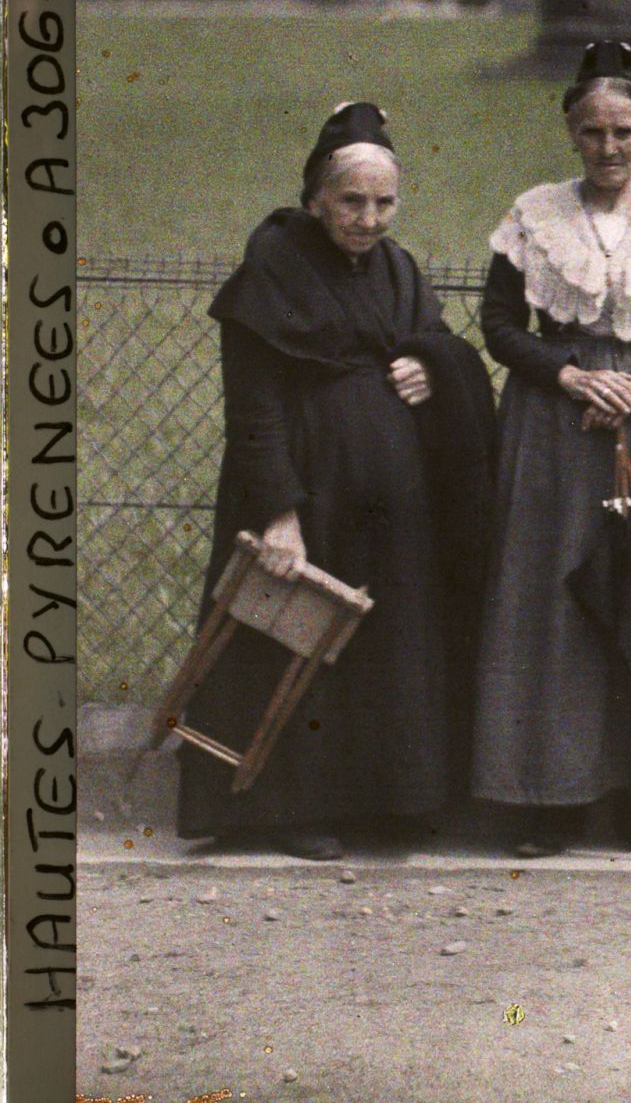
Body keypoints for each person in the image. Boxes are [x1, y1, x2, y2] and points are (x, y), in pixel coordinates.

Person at [179, 102, 495, 861]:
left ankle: (385, 802)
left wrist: (431, 366)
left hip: (393, 509)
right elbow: (252, 408)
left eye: (385, 203)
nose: (368, 219)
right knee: (297, 644)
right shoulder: (273, 267)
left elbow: (437, 341)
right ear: (317, 197)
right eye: (352, 201)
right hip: (309, 495)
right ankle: (287, 810)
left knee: (388, 645)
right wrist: (278, 514)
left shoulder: (398, 268)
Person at [471, 41, 631, 860]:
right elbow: (500, 325)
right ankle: (551, 794)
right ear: (571, 133)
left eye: (624, 130)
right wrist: (571, 375)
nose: (608, 147)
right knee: (552, 598)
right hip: (555, 424)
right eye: (592, 131)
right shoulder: (534, 216)